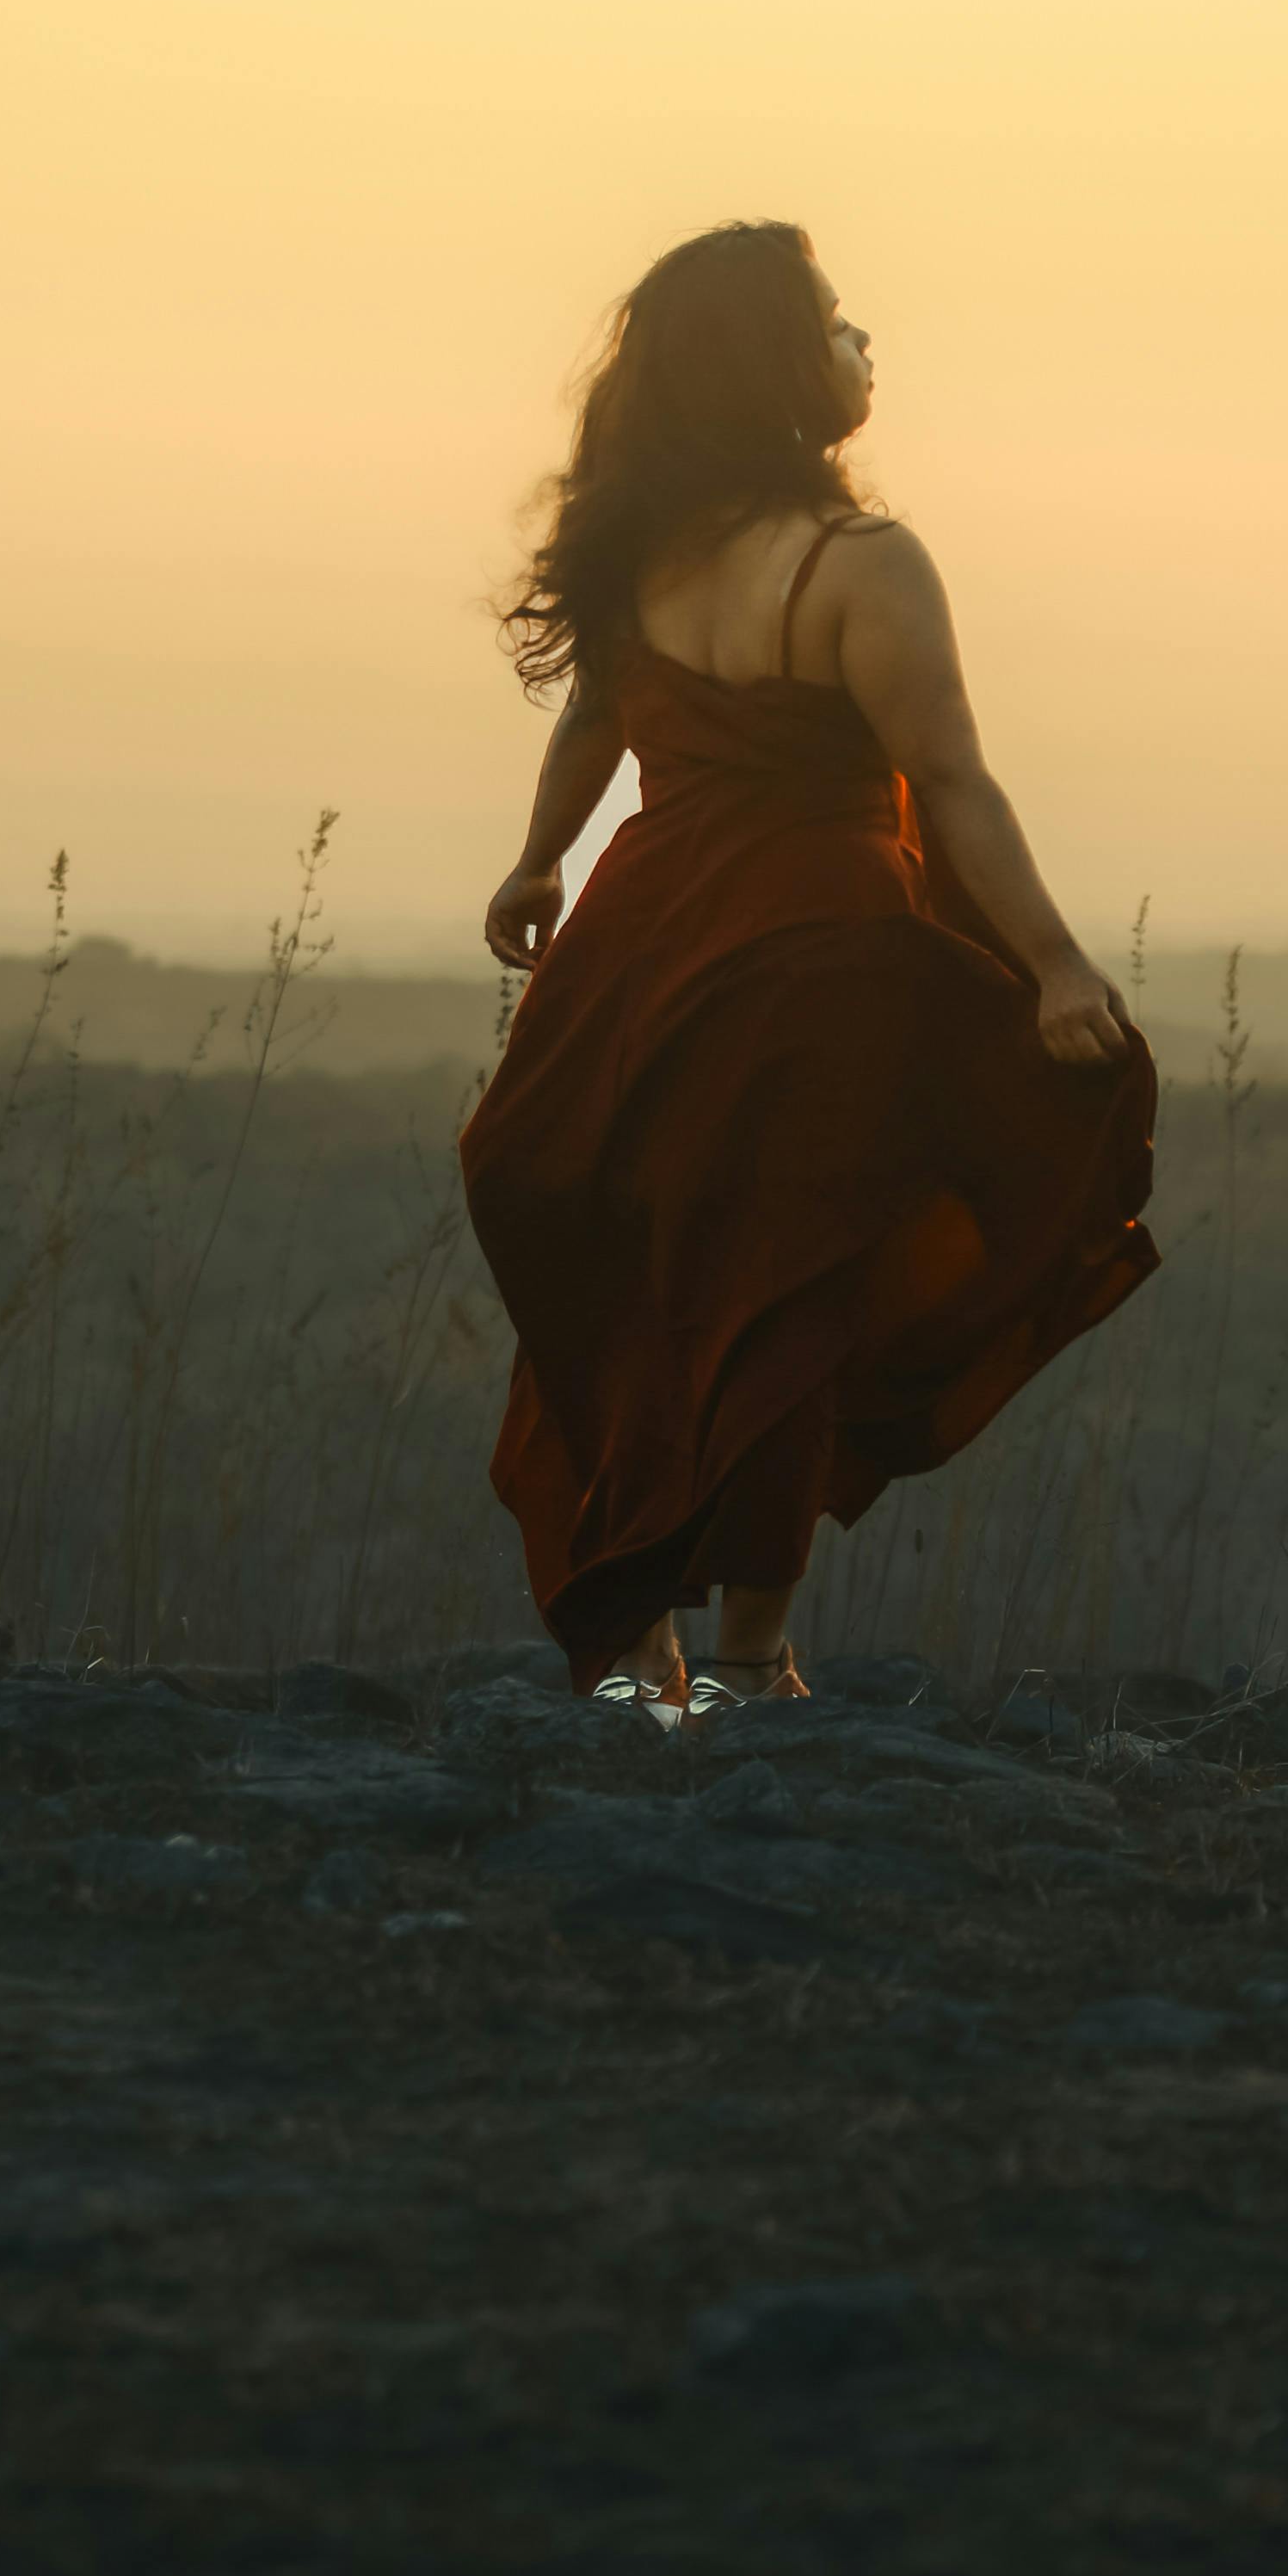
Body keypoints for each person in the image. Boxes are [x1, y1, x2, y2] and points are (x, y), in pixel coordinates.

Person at [462, 219, 1156, 1713]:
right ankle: (751, 1663)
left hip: (641, 939)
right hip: (811, 950)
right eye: (839, 324)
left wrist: (538, 862)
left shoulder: (637, 556)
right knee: (791, 1296)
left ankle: (639, 1648)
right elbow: (952, 782)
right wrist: (1057, 968)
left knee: (633, 1272)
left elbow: (592, 722)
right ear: (778, 365)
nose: (864, 346)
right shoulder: (864, 564)